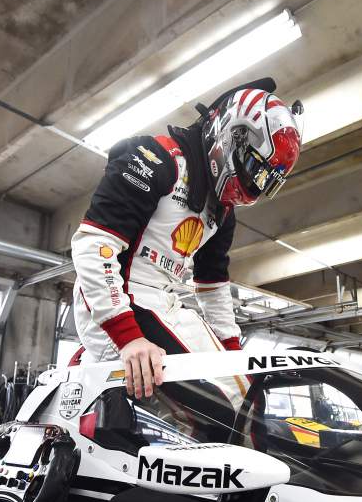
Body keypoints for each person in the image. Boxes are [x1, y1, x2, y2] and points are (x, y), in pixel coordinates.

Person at [71, 78, 303, 398]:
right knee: (215, 406)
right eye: (253, 168)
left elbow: (213, 286)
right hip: (117, 304)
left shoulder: (223, 210)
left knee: (246, 397)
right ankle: (88, 367)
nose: (253, 185)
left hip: (167, 304)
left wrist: (233, 350)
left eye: (265, 180)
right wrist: (128, 338)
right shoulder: (154, 158)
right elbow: (93, 247)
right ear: (230, 135)